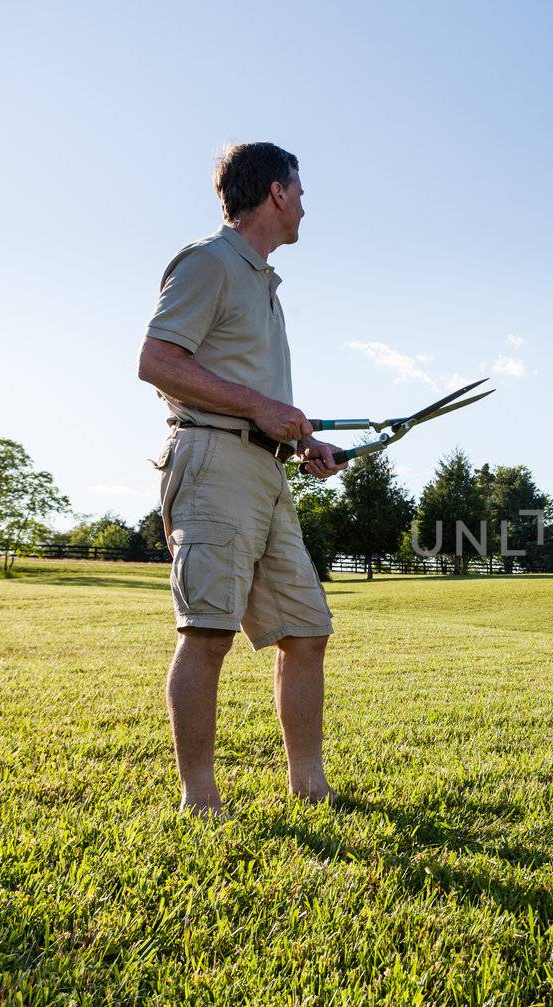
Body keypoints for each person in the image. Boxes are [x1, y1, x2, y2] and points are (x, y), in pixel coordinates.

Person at [137, 142, 346, 817]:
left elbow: (257, 392)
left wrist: (305, 442)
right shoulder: (210, 262)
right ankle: (200, 800)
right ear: (278, 194)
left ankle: (310, 786)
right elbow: (158, 360)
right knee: (208, 630)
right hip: (211, 463)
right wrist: (260, 408)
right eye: (302, 190)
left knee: (307, 629)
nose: (307, 205)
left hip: (266, 471)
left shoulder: (262, 283)